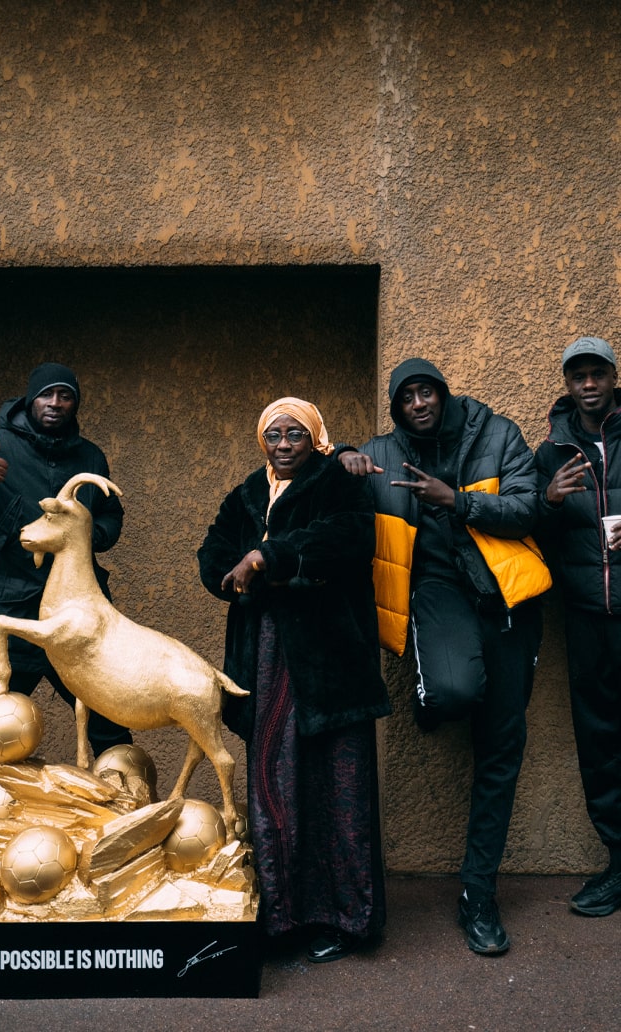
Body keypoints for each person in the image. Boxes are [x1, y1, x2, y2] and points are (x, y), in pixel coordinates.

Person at [338, 358, 551, 955]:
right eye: (406, 397)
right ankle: (434, 695)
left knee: (501, 748)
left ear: (443, 394)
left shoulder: (497, 435)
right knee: (454, 692)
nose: (418, 403)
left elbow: (528, 508)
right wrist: (343, 457)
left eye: (426, 392)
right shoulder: (384, 452)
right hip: (435, 592)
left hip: (506, 602)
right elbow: (327, 474)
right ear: (397, 408)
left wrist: (456, 501)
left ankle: (478, 894)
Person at [197, 397, 390, 964]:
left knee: (337, 785)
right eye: (275, 435)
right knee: (274, 782)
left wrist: (267, 558)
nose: (284, 445)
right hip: (265, 656)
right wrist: (233, 573)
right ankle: (282, 919)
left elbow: (349, 538)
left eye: (296, 434)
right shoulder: (247, 493)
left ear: (314, 437)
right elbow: (213, 552)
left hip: (331, 662)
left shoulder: (337, 480)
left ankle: (348, 920)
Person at [0, 362, 132, 821]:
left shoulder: (90, 458)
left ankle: (128, 827)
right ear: (30, 400)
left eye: (65, 396)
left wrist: (86, 535)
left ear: (75, 404)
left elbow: (111, 518)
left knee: (111, 728)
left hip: (77, 624)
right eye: (46, 395)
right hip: (10, 621)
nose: (55, 404)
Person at [535, 335, 621, 917]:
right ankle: (619, 862)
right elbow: (532, 533)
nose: (588, 384)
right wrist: (547, 501)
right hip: (586, 616)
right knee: (599, 741)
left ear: (613, 378)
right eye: (578, 376)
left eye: (597, 374)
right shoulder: (552, 451)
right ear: (568, 384)